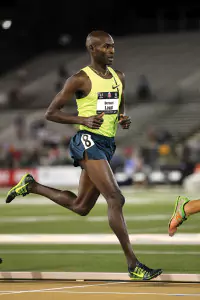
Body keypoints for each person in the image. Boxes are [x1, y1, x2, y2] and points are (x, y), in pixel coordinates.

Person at [6, 30, 162, 280]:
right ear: (92, 49)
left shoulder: (118, 77)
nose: (111, 51)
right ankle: (133, 265)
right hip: (87, 140)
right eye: (106, 47)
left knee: (81, 206)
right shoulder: (79, 79)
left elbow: (119, 104)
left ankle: (32, 186)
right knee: (116, 198)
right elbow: (51, 113)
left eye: (113, 47)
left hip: (106, 143)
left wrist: (122, 118)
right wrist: (83, 119)